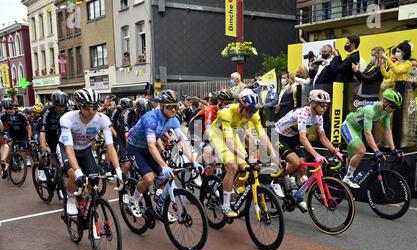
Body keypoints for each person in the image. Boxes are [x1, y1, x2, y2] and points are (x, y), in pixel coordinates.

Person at [125, 89, 202, 219]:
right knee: (149, 178)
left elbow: (183, 141)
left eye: (176, 106)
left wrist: (193, 161)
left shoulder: (173, 119)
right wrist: (164, 165)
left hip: (148, 148)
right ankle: (134, 200)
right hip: (135, 148)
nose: (174, 110)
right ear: (161, 105)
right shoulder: (151, 118)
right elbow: (151, 146)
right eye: (170, 106)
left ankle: (160, 204)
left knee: (167, 176)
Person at [210, 89, 278, 217]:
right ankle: (225, 205)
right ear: (241, 106)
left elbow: (263, 137)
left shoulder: (253, 113)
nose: (252, 114)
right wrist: (246, 157)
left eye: (255, 110)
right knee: (232, 166)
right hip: (218, 135)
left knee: (245, 169)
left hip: (232, 133)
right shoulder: (226, 113)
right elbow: (229, 143)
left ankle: (230, 191)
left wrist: (274, 157)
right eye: (250, 111)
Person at [57, 88, 123, 216]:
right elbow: (69, 148)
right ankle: (70, 199)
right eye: (87, 107)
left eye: (95, 107)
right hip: (67, 148)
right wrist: (77, 171)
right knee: (73, 175)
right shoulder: (68, 118)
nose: (91, 111)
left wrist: (118, 170)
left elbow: (110, 146)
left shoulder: (103, 119)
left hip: (85, 148)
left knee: (93, 181)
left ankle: (89, 207)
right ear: (79, 105)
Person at [275, 89, 344, 209]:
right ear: (313, 104)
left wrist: (336, 152)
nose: (325, 108)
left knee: (303, 167)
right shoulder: (304, 113)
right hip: (278, 135)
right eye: (322, 105)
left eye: (326, 105)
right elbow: (303, 138)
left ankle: (297, 196)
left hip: (292, 136)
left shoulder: (319, 117)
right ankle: (276, 179)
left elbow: (323, 138)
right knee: (295, 162)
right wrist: (316, 155)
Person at [340, 88, 404, 188]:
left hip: (357, 130)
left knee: (351, 160)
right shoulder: (370, 110)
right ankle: (347, 178)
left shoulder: (386, 112)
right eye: (392, 106)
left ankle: (343, 186)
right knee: (361, 151)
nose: (393, 109)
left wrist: (393, 149)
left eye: (395, 107)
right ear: (385, 101)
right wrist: (376, 151)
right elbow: (367, 132)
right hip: (348, 126)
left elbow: (387, 130)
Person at [37, 91, 71, 182]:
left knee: (57, 157)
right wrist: (44, 145)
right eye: (59, 106)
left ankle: (57, 174)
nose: (61, 108)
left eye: (63, 106)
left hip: (56, 133)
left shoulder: (68, 110)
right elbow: (42, 131)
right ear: (53, 104)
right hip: (43, 132)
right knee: (45, 152)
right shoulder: (47, 111)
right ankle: (41, 169)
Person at [0, 98, 32, 177]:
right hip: (11, 133)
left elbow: (28, 126)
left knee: (24, 148)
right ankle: (5, 163)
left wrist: (29, 138)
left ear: (13, 107)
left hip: (22, 133)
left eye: (10, 108)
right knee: (7, 145)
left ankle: (23, 159)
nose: (8, 111)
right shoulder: (3, 115)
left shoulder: (21, 115)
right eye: (6, 109)